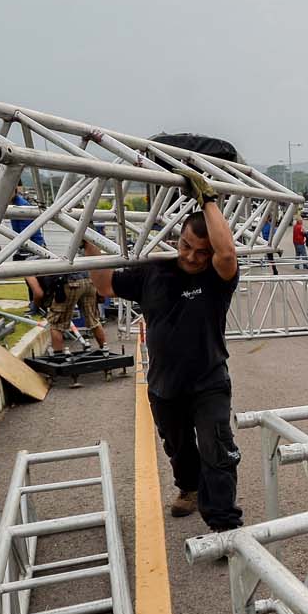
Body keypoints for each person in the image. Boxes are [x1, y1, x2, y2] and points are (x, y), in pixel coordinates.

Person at [90, 168, 242, 532]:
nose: (191, 257)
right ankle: (188, 488)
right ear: (178, 237)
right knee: (178, 448)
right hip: (163, 385)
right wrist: (87, 235)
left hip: (209, 380)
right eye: (186, 245)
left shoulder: (216, 278)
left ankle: (224, 527)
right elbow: (105, 285)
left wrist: (207, 199)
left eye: (201, 252)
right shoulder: (153, 271)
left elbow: (227, 250)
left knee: (217, 450)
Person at [29, 269, 107, 353]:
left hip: (68, 281)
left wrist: (37, 307)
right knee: (94, 319)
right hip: (88, 280)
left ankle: (58, 356)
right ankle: (105, 349)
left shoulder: (27, 268)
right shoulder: (47, 257)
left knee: (56, 325)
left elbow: (38, 293)